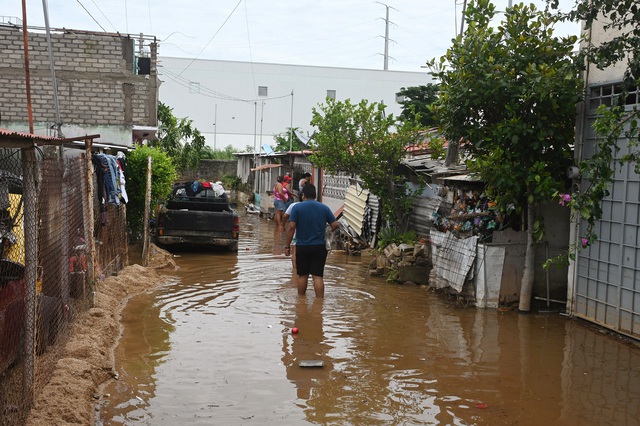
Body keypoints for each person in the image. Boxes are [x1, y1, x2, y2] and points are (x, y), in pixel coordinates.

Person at [285, 184, 339, 298]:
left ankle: (300, 302)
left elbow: (291, 227)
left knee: (302, 276)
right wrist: (327, 233)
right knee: (318, 276)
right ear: (315, 195)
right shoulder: (324, 208)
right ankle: (319, 303)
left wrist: (287, 246)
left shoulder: (297, 208)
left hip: (302, 246)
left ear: (303, 195)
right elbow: (335, 225)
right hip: (319, 246)